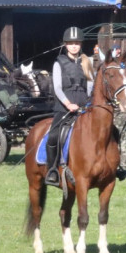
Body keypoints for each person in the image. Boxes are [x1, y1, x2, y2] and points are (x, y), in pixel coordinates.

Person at [44, 27, 94, 187]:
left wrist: (87, 103)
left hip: (84, 106)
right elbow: (57, 87)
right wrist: (68, 104)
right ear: (65, 45)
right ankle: (52, 170)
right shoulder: (58, 63)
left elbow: (90, 86)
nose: (74, 46)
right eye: (71, 43)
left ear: (81, 44)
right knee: (53, 136)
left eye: (77, 43)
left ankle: (116, 165)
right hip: (64, 107)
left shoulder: (88, 62)